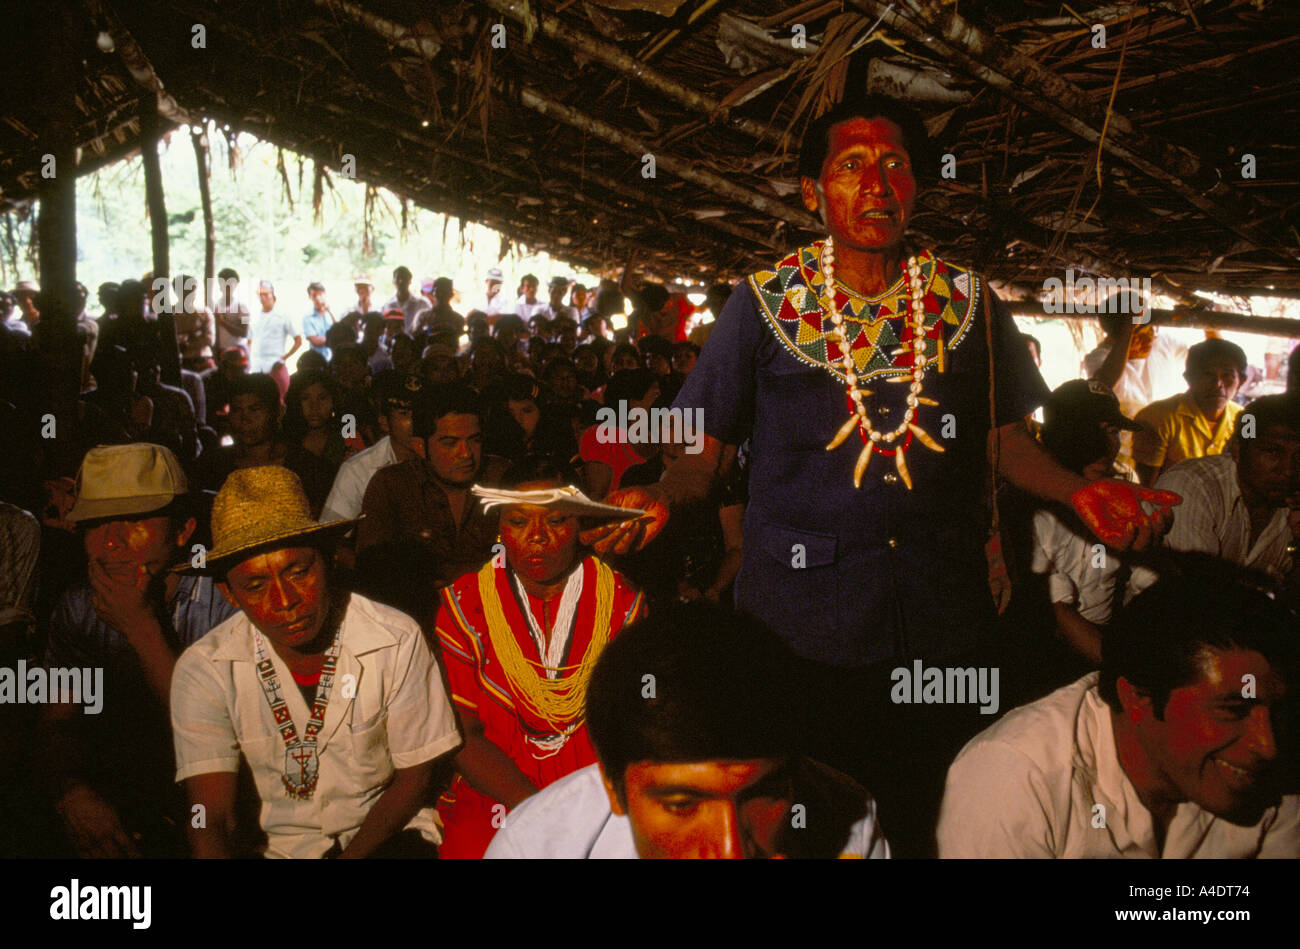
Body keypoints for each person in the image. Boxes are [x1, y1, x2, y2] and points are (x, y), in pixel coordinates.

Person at [588, 93, 1178, 857]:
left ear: (918, 187)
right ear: (812, 191)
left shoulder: (967, 302)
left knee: (934, 814)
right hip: (798, 636)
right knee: (809, 824)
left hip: (946, 626)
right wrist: (660, 498)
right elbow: (704, 456)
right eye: (852, 165)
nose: (876, 184)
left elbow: (1003, 440)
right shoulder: (762, 304)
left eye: (895, 165)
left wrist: (1076, 489)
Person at [171, 466, 461, 858]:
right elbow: (210, 813)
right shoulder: (204, 667)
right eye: (255, 586)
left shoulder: (393, 637)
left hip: (386, 838)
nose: (284, 600)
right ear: (228, 594)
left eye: (298, 571)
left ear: (329, 561)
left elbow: (415, 778)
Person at [937, 567, 1299, 857]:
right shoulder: (1014, 778)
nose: (1268, 746)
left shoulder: (1278, 767)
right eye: (1233, 710)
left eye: (1278, 711)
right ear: (1138, 698)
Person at [486, 601, 890, 859]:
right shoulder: (536, 848)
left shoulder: (846, 819)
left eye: (763, 795)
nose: (731, 849)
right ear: (613, 788)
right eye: (682, 805)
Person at [432, 458, 646, 857]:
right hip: (498, 793)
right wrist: (541, 808)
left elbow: (632, 729)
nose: (537, 537)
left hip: (598, 792)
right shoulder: (464, 606)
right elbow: (461, 736)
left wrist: (579, 810)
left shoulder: (622, 602)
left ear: (580, 524)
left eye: (556, 520)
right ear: (499, 527)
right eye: (518, 521)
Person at [39, 444, 237, 858]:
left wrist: (141, 627)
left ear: (183, 531)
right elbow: (58, 722)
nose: (111, 543)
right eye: (97, 523)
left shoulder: (225, 603)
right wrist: (72, 790)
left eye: (132, 520)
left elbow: (217, 742)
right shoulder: (77, 608)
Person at [1129, 394, 1300, 603]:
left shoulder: (1292, 502)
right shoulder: (1192, 486)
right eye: (1273, 452)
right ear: (1237, 449)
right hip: (1168, 625)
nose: (1289, 470)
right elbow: (1196, 597)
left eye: (1299, 456)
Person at [356, 384, 509, 605]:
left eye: (474, 440)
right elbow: (371, 572)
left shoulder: (502, 477)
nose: (465, 454)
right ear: (420, 446)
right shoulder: (392, 485)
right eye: (450, 443)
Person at [1030, 380, 1143, 666]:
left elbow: (1141, 581)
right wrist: (1123, 671)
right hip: (1040, 650)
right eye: (1090, 431)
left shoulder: (1125, 483)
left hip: (1107, 643)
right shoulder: (1030, 500)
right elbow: (1056, 605)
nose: (1105, 446)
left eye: (1113, 431)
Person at [197, 373, 334, 519]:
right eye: (237, 410)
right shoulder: (213, 464)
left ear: (278, 413)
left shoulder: (307, 468)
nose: (245, 419)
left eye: (254, 409)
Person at [1132, 338, 1247, 485]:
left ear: (1241, 381)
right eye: (1207, 374)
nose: (1218, 384)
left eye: (1227, 376)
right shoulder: (1157, 418)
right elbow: (1147, 491)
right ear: (1188, 378)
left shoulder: (1246, 419)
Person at [320, 372, 423, 523]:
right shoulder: (358, 470)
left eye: (421, 412)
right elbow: (332, 534)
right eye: (404, 414)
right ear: (384, 421)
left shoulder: (443, 459)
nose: (416, 422)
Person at [248, 280, 301, 374]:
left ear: (272, 294)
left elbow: (298, 340)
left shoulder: (283, 315)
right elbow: (249, 340)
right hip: (256, 365)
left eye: (265, 294)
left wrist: (284, 358)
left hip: (274, 364)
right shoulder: (254, 316)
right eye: (260, 295)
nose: (262, 298)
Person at [383, 266, 431, 334]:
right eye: (398, 278)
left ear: (410, 280)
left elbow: (429, 327)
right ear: (393, 281)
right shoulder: (387, 305)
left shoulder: (422, 304)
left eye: (404, 278)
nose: (401, 281)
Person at [213, 268, 251, 354]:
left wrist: (222, 322)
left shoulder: (243, 307)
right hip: (221, 351)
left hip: (237, 351)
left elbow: (244, 333)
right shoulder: (215, 306)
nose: (226, 286)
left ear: (236, 284)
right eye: (223, 283)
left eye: (229, 283)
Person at [301, 281, 334, 361]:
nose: (318, 298)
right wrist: (336, 338)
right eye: (314, 295)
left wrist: (330, 312)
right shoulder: (307, 318)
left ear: (325, 294)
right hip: (318, 360)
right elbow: (316, 341)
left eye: (320, 294)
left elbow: (343, 331)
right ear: (310, 297)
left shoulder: (332, 313)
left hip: (335, 359)